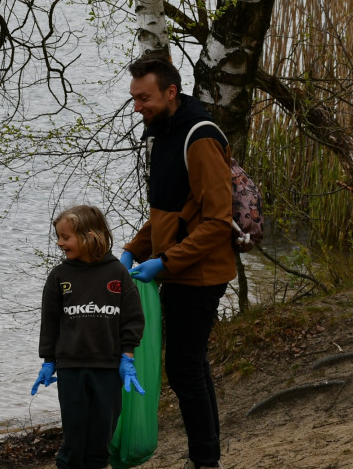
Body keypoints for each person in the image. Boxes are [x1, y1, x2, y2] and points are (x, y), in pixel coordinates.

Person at [120, 56, 236, 469]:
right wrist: (135, 248)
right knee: (191, 363)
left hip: (201, 273)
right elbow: (167, 213)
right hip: (179, 269)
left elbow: (219, 222)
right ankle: (207, 457)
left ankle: (205, 461)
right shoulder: (163, 132)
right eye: (134, 99)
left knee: (183, 367)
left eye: (144, 98)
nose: (138, 108)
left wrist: (164, 264)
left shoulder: (199, 138)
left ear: (171, 92)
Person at [31, 205, 146, 469]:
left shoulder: (117, 273)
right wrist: (49, 360)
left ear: (90, 236)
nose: (60, 243)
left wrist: (127, 357)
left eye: (65, 237)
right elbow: (49, 322)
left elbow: (133, 318)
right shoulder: (59, 276)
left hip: (108, 368)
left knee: (101, 435)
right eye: (58, 237)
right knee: (75, 434)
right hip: (71, 368)